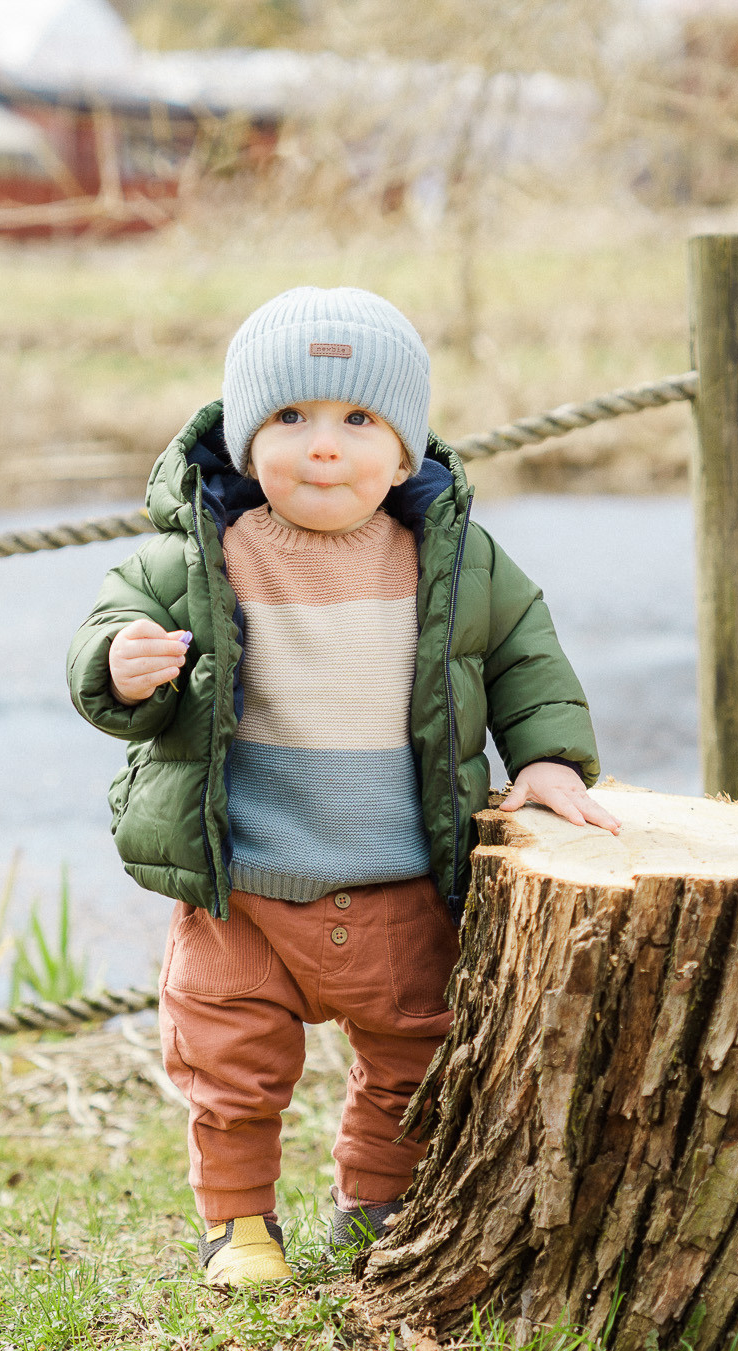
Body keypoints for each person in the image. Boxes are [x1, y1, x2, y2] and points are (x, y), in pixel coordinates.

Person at [66, 286, 618, 1287]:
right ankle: (238, 1224)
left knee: (413, 1054)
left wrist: (545, 757)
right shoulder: (192, 560)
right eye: (289, 419)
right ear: (241, 442)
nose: (323, 446)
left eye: (358, 420)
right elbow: (107, 649)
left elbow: (523, 653)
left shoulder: (453, 561)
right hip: (242, 881)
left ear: (405, 451)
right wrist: (120, 667)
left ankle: (377, 1205)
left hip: (398, 877)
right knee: (228, 1062)